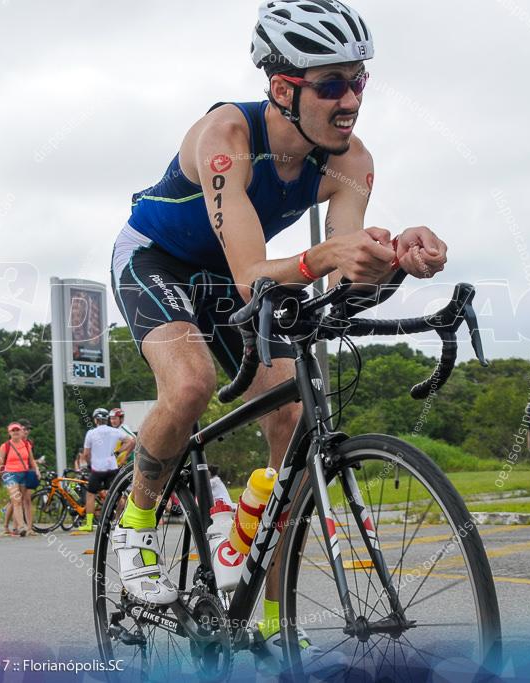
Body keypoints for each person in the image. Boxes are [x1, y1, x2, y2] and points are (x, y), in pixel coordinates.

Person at [107, 0, 445, 663]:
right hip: (160, 262)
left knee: (292, 414)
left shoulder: (351, 159)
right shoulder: (226, 137)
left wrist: (396, 258)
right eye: (331, 85)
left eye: (359, 81)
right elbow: (250, 277)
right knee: (191, 383)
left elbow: (343, 282)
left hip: (251, 273)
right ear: (283, 86)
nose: (349, 99)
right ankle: (136, 525)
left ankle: (259, 602)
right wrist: (324, 258)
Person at [78, 409, 122, 532]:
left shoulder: (91, 433)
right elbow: (131, 441)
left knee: (91, 494)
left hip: (97, 469)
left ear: (96, 420)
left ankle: (88, 524)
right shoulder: (115, 431)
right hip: (112, 467)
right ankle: (117, 520)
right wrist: (119, 453)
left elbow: (86, 453)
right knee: (115, 494)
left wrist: (90, 464)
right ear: (107, 420)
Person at [0, 423, 41, 537]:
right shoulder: (5, 446)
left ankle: (16, 529)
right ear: (9, 433)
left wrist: (37, 469)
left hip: (24, 474)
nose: (15, 432)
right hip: (10, 474)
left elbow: (31, 459)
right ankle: (21, 526)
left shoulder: (26, 444)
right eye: (13, 430)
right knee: (17, 500)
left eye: (17, 430)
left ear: (20, 432)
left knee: (20, 501)